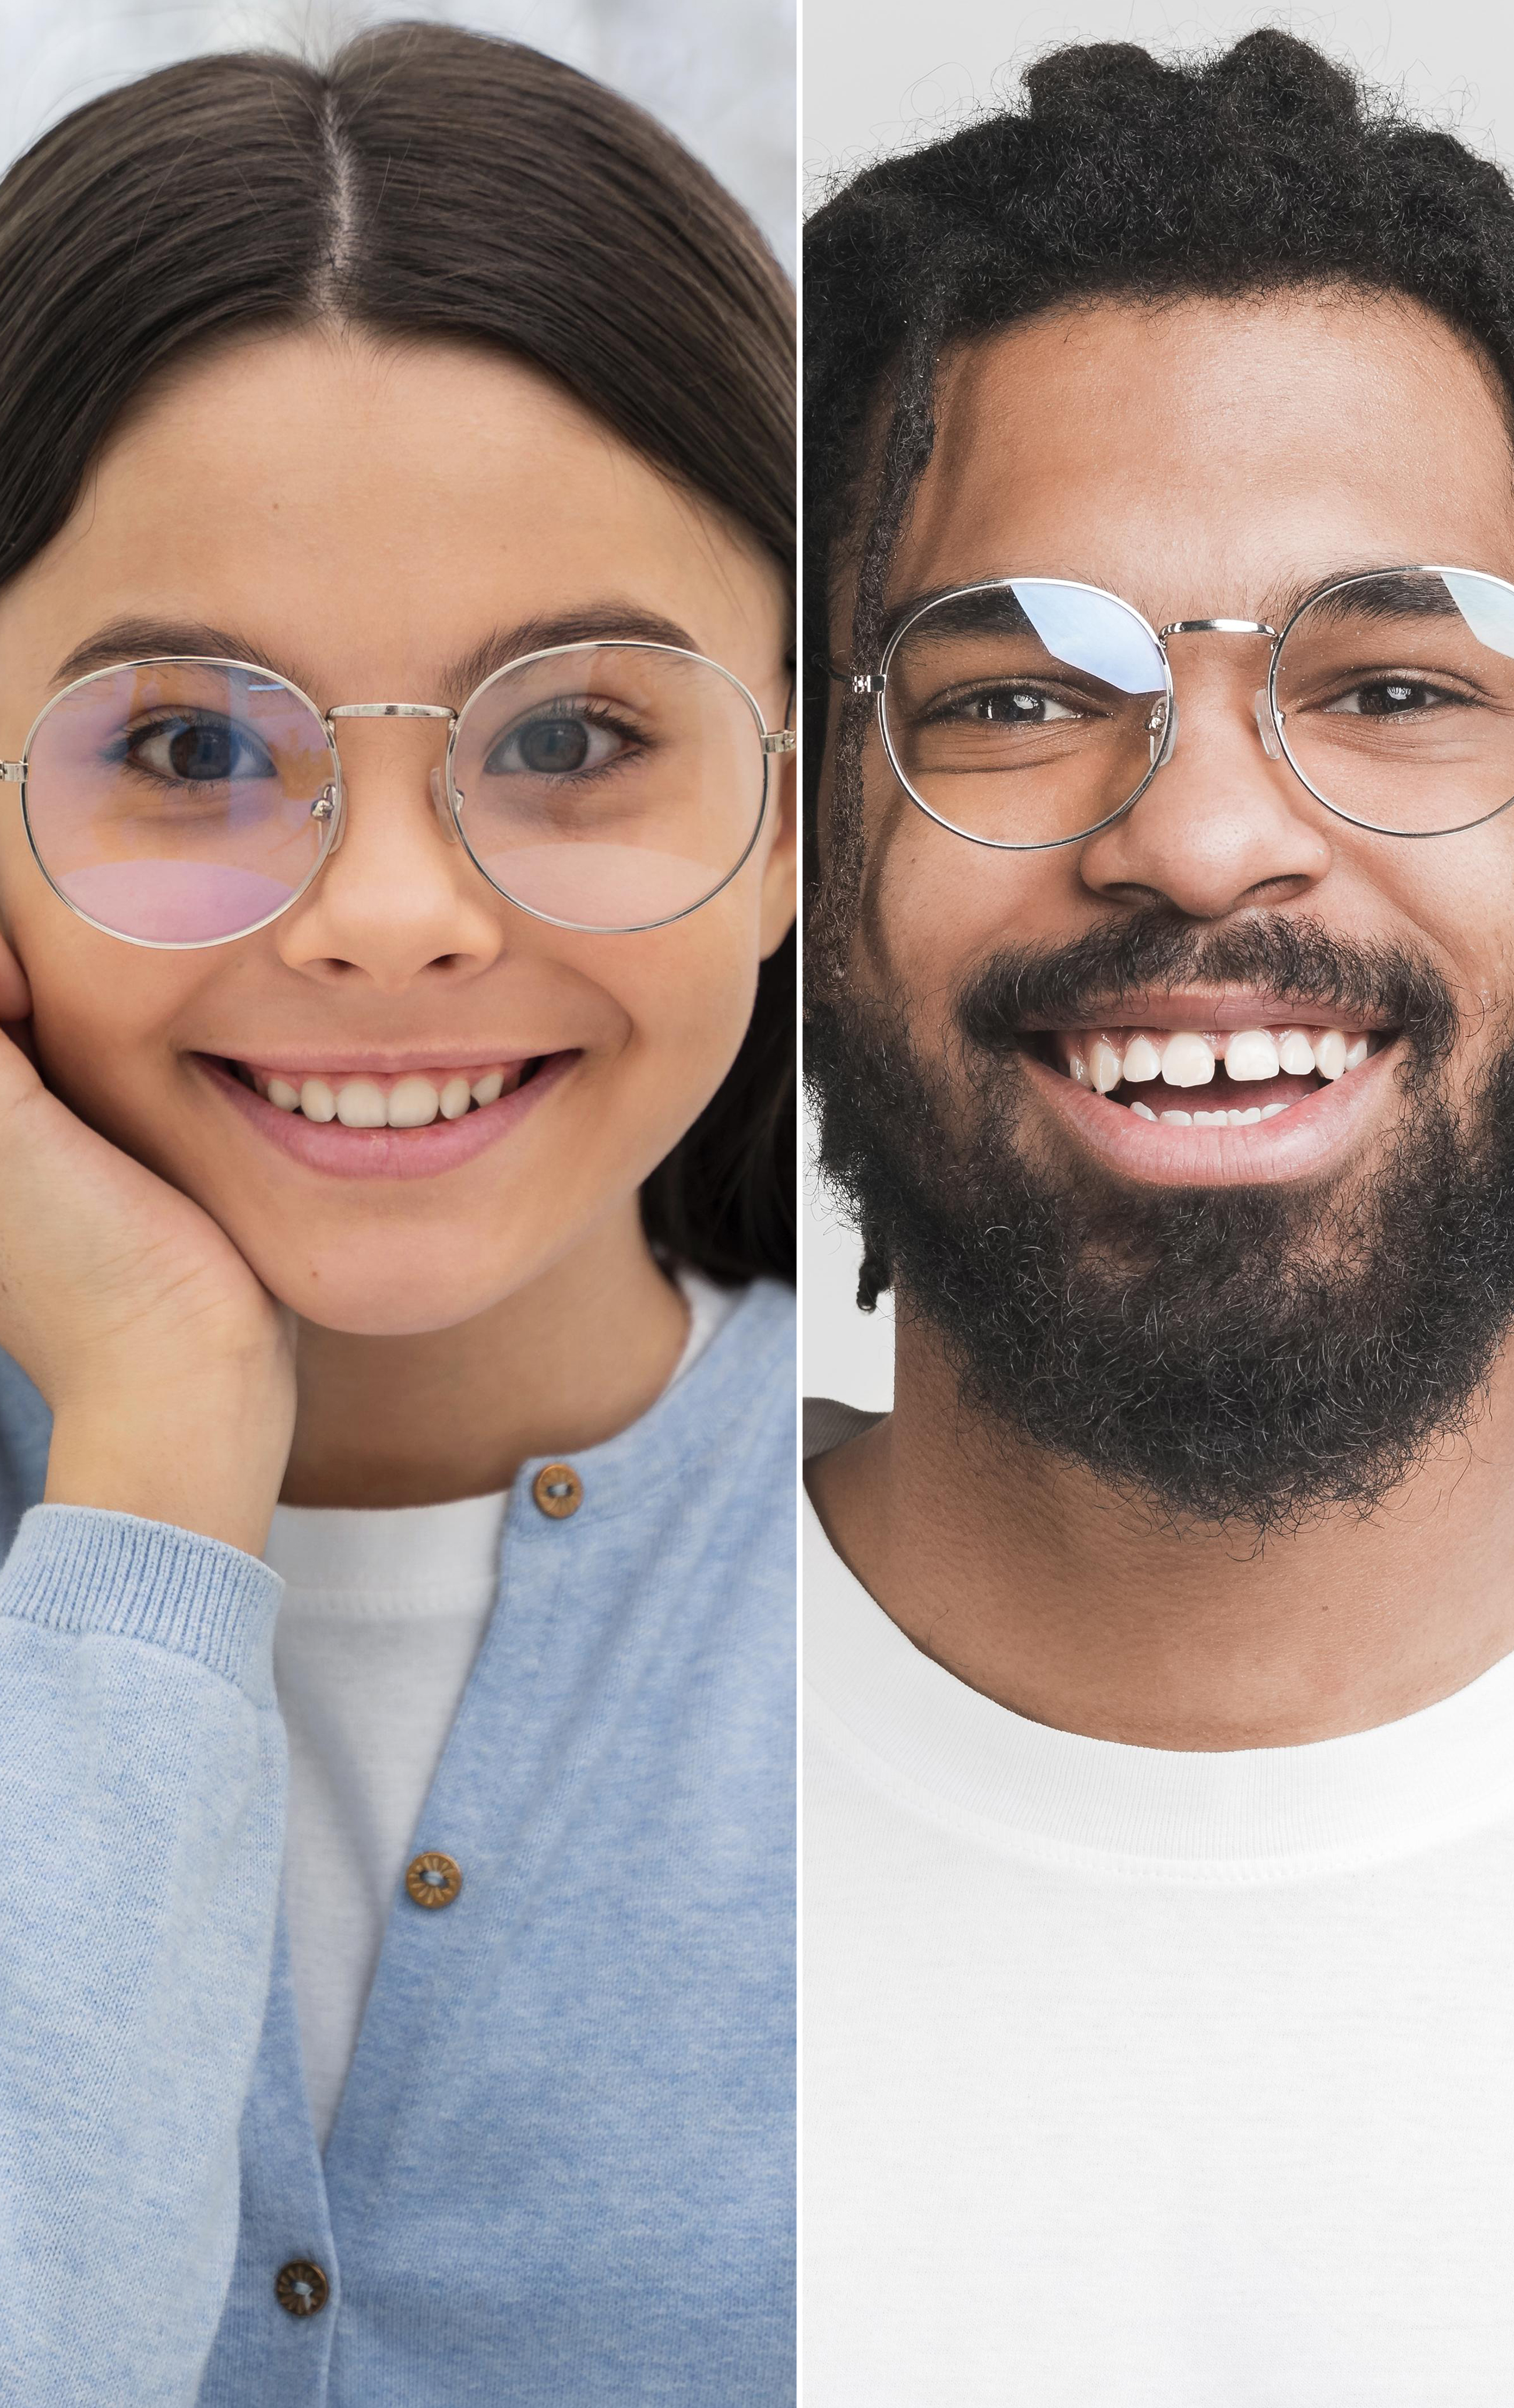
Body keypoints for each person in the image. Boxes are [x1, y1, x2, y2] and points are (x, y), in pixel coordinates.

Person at [796, 32, 1514, 2398]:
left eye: (1390, 681)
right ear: (803, 850)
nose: (1206, 833)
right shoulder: (555, 1755)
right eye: (1019, 701)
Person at [0, 27, 799, 2405]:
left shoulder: (1013, 1573)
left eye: (567, 737)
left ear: (792, 807)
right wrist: (154, 1430)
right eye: (182, 745)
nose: (387, 915)